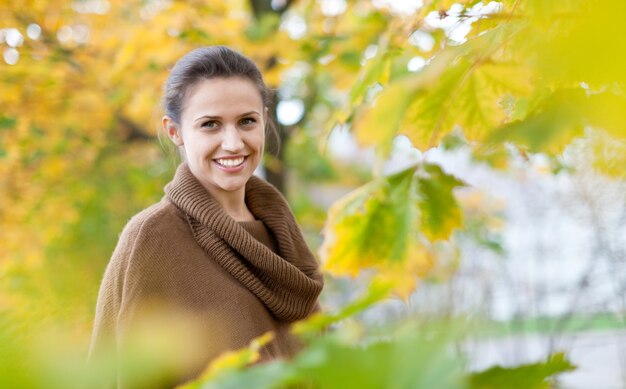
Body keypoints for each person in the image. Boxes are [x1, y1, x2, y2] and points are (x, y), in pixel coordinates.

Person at [89, 46, 324, 387]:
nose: (233, 143)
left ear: (265, 120)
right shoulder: (152, 238)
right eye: (210, 124)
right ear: (175, 132)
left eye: (247, 121)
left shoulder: (284, 237)